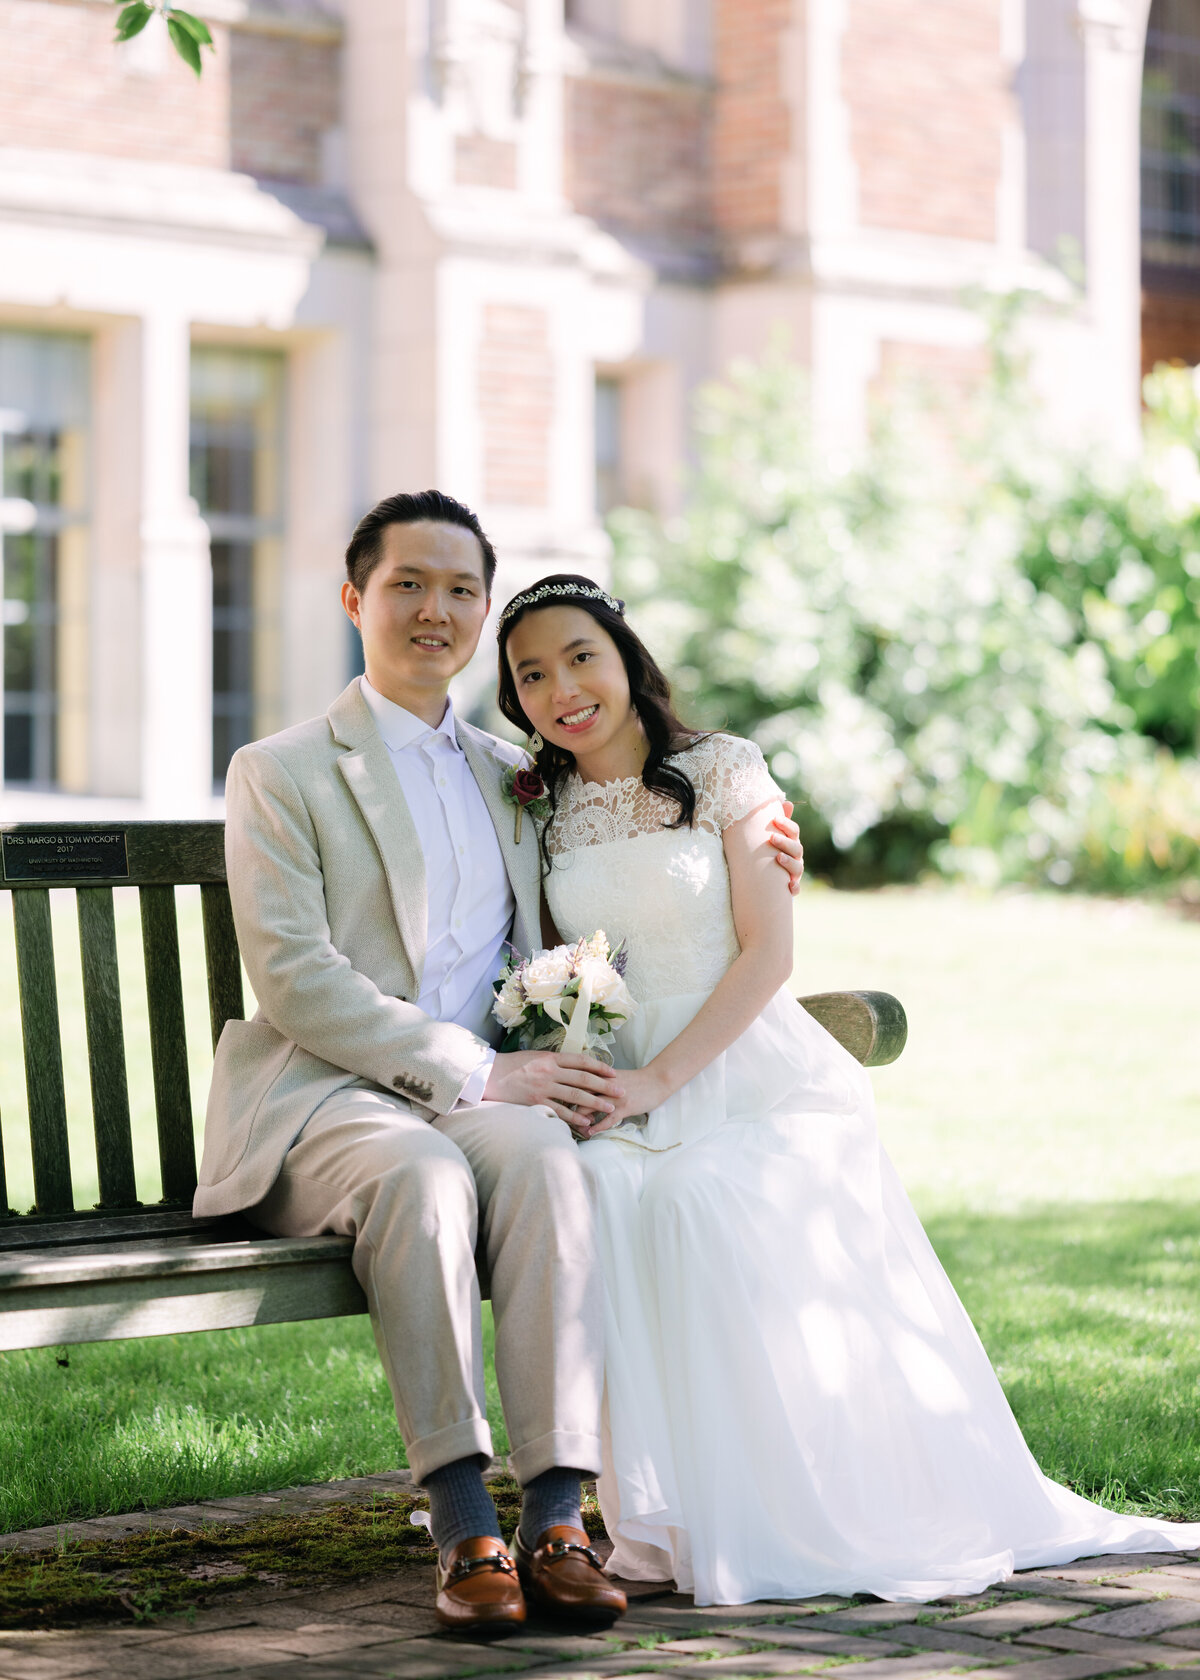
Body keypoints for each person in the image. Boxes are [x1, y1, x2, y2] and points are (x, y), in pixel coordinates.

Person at [496, 573, 1200, 1609]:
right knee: (597, 1188)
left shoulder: (726, 770)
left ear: (627, 659)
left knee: (699, 1198)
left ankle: (770, 1505)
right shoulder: (538, 805)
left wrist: (657, 1080)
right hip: (616, 1080)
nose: (563, 688)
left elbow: (769, 955)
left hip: (739, 1069)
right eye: (531, 675)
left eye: (580, 656)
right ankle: (638, 1518)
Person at [194, 492, 808, 1635]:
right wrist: (474, 1072)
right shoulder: (278, 770)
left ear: (482, 613)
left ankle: (561, 1520)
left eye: (460, 590)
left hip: (487, 1094)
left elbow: (644, 833)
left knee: (540, 1161)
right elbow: (295, 977)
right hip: (328, 1095)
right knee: (424, 1179)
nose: (436, 610)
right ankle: (465, 1521)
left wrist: (764, 828)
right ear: (354, 602)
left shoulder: (513, 774)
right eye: (407, 586)